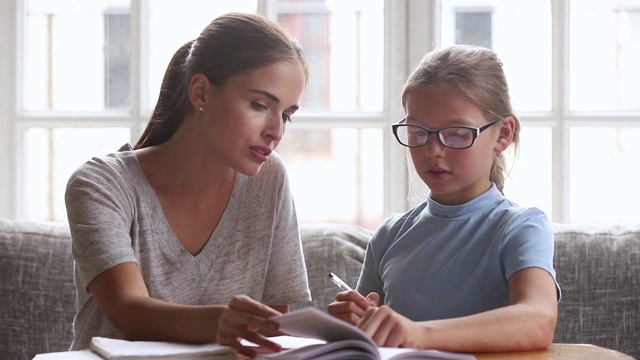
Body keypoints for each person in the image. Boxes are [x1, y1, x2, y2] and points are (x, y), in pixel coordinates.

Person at [65, 12, 310, 358]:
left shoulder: (270, 179)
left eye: (286, 115)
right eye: (259, 105)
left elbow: (271, 328)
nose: (276, 131)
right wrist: (221, 323)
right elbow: (128, 312)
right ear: (201, 92)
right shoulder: (101, 185)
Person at [327, 44, 561, 353]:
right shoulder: (390, 234)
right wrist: (354, 322)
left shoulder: (521, 228)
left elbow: (538, 320)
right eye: (417, 131)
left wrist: (418, 334)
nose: (433, 150)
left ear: (503, 134)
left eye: (457, 133)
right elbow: (366, 343)